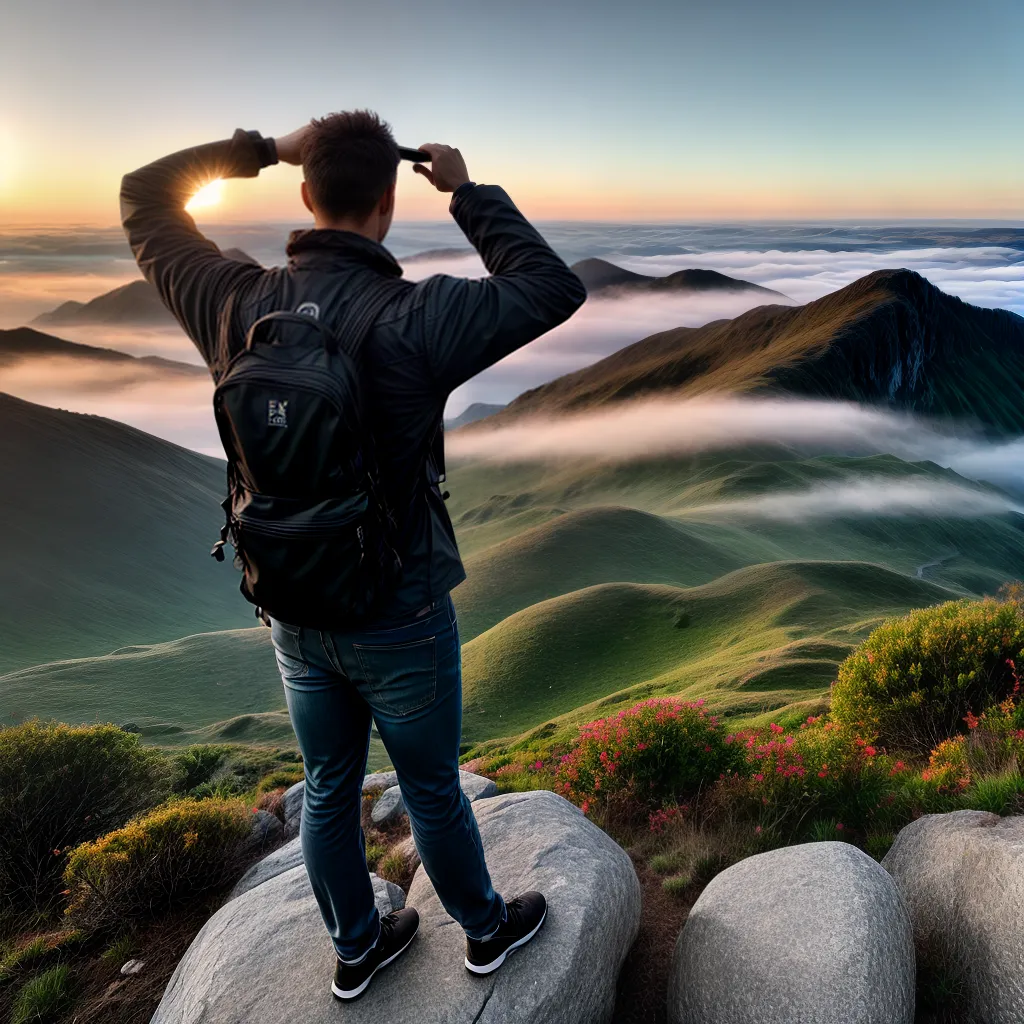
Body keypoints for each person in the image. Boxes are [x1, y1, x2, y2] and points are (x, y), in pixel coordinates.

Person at [120, 110, 586, 1000]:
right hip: (399, 605)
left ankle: (357, 944)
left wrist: (259, 150)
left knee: (328, 785)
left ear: (304, 192)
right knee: (432, 789)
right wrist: (466, 191)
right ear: (387, 200)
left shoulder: (231, 301)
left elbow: (143, 196)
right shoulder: (418, 317)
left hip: (291, 604)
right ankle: (484, 931)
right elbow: (549, 286)